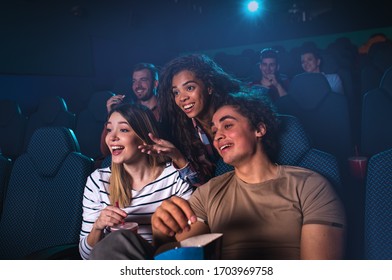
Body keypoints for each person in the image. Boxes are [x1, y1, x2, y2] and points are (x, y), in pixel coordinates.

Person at [88, 91, 346, 260]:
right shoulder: (209, 191)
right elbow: (186, 254)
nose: (218, 134)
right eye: (214, 129)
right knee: (115, 243)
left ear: (259, 129)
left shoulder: (309, 185)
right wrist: (163, 231)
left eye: (228, 125)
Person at [79, 103, 193, 260]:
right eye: (109, 129)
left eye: (124, 130)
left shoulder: (174, 176)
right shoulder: (98, 181)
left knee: (120, 240)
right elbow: (86, 256)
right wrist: (98, 226)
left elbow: (190, 242)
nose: (112, 137)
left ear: (144, 137)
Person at [157, 53, 243, 185]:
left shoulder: (237, 114)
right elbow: (200, 185)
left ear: (209, 87)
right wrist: (178, 157)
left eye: (189, 88)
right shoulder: (183, 131)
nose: (182, 98)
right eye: (176, 92)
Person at [100, 63, 160, 158]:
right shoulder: (129, 112)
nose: (137, 85)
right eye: (134, 81)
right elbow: (106, 151)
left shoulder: (167, 109)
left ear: (155, 84)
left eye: (143, 80)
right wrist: (111, 114)